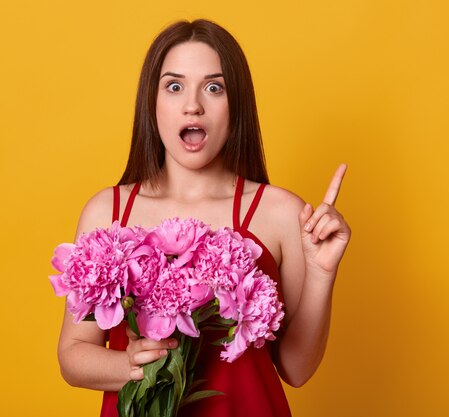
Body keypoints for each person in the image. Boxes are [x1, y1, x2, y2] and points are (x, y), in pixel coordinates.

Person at [56, 19, 351, 417]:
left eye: (214, 87)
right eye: (174, 86)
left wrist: (320, 273)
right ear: (152, 102)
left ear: (237, 104)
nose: (193, 104)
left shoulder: (280, 212)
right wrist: (131, 365)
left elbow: (296, 369)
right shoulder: (107, 212)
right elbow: (73, 355)